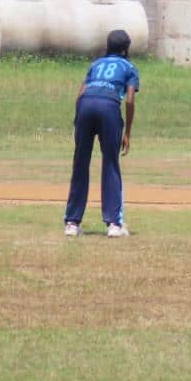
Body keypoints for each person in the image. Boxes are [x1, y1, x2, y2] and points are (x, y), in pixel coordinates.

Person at [64, 28, 140, 238]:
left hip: (86, 106)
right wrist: (128, 133)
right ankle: (114, 224)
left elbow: (80, 95)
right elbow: (130, 100)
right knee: (110, 164)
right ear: (126, 49)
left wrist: (78, 121)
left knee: (80, 163)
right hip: (109, 107)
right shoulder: (130, 67)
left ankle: (72, 222)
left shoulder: (95, 64)